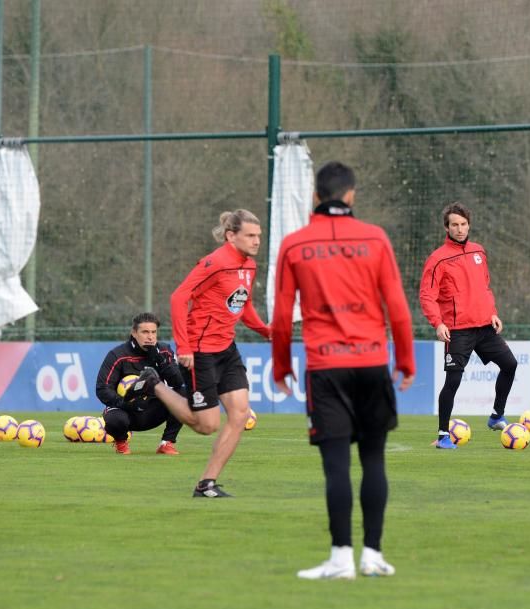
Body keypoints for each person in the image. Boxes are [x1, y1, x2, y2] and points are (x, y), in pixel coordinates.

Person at [272, 161, 415, 580]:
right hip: (372, 362)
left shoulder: (294, 245)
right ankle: (373, 555)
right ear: (351, 196)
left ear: (316, 197)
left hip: (326, 367)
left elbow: (282, 315)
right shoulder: (376, 238)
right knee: (374, 460)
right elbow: (398, 308)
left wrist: (281, 364)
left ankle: (340, 559)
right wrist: (405, 359)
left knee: (336, 465)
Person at [131, 209, 271, 498]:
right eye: (251, 235)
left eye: (259, 236)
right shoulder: (215, 263)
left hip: (226, 349)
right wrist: (184, 347)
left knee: (240, 413)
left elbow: (242, 306)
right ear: (232, 236)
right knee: (206, 425)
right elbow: (179, 297)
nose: (257, 241)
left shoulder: (249, 266)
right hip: (200, 349)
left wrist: (267, 331)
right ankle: (153, 384)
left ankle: (206, 484)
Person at [419, 201, 518, 449]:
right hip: (458, 330)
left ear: (469, 225)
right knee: (453, 382)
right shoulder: (438, 259)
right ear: (447, 227)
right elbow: (426, 295)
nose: (460, 229)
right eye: (455, 225)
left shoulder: (479, 252)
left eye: (463, 224)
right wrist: (438, 323)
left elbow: (484, 287)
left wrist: (493, 313)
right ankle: (443, 436)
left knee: (510, 364)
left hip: (484, 327)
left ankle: (496, 416)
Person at [95, 313, 185, 455]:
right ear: (134, 333)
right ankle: (121, 442)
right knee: (115, 420)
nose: (150, 336)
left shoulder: (164, 350)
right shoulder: (118, 355)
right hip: (125, 410)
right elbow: (102, 389)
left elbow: (177, 382)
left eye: (153, 332)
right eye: (145, 332)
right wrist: (126, 403)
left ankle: (167, 443)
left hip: (153, 409)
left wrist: (159, 359)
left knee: (183, 394)